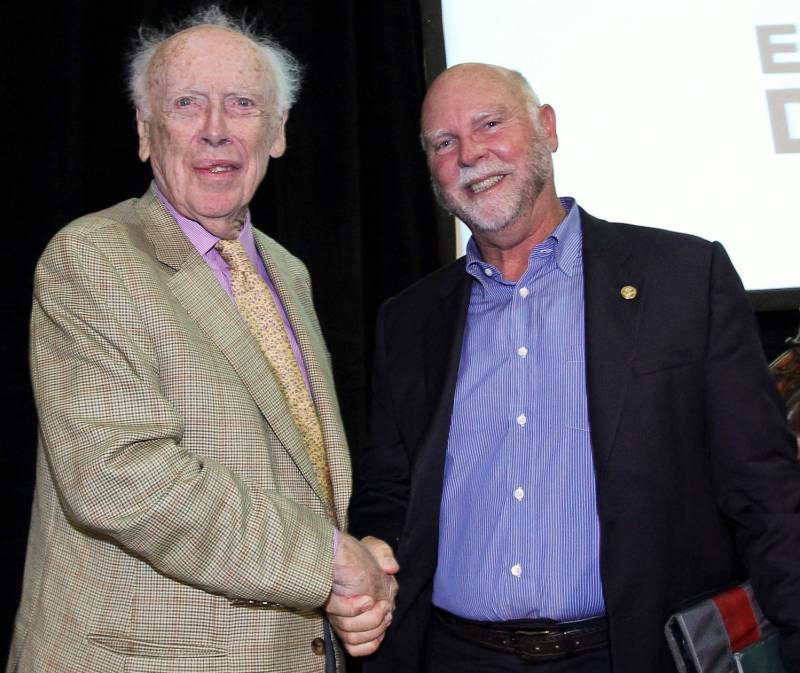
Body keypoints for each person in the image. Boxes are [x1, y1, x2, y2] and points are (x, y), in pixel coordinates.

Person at [346, 63, 800, 672]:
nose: (471, 154)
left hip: (635, 655)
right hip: (455, 657)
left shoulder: (685, 279)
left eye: (490, 124)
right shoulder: (408, 321)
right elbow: (388, 494)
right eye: (443, 143)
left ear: (547, 129)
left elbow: (766, 494)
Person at [7, 7, 396, 673]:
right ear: (144, 132)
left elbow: (293, 473)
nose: (216, 129)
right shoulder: (91, 258)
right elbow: (120, 477)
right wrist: (329, 559)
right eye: (188, 103)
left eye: (241, 104)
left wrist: (356, 563)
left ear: (277, 132)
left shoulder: (289, 272)